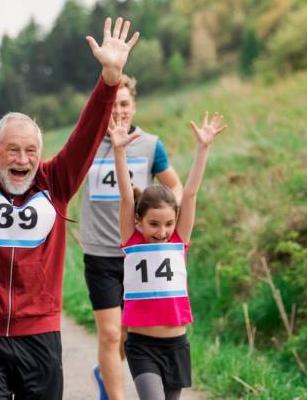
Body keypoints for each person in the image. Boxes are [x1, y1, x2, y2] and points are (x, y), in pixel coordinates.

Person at [0, 0, 139, 400]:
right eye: (12, 150)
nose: (23, 160)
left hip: (39, 331)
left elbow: (84, 135)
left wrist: (110, 79)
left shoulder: (56, 180)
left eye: (31, 151)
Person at [78, 74, 183, 400]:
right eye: (111, 105)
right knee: (110, 333)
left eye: (123, 104)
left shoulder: (151, 145)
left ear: (133, 107)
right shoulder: (87, 144)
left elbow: (175, 187)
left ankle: (103, 374)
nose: (118, 112)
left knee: (128, 334)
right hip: (100, 252)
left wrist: (164, 221)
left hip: (140, 256)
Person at [109, 112, 225, 400]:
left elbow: (189, 195)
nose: (162, 231)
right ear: (139, 220)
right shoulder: (131, 240)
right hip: (141, 345)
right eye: (154, 224)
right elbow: (126, 196)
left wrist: (203, 149)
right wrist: (119, 151)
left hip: (176, 345)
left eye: (168, 224)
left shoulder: (178, 241)